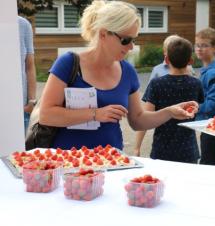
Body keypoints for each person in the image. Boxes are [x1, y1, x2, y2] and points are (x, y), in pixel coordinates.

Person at [38, 0, 198, 150]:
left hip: (112, 162)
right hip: (70, 164)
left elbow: (137, 120)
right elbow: (46, 115)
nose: (131, 47)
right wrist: (95, 114)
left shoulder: (127, 71)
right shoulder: (69, 63)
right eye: (126, 40)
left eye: (134, 40)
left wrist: (169, 112)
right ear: (103, 34)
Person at [134, 37, 204, 163]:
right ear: (191, 61)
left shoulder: (156, 84)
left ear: (166, 60)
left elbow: (145, 118)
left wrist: (137, 147)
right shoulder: (196, 84)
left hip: (162, 150)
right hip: (188, 150)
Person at [194, 28, 215, 165]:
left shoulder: (214, 72)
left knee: (208, 164)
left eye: (204, 45)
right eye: (197, 45)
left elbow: (214, 103)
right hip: (211, 124)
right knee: (209, 161)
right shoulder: (209, 69)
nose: (199, 49)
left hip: (214, 125)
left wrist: (195, 108)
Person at [18, 16, 37, 134]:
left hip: (20, 107)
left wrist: (31, 102)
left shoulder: (23, 25)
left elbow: (29, 66)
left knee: (16, 151)